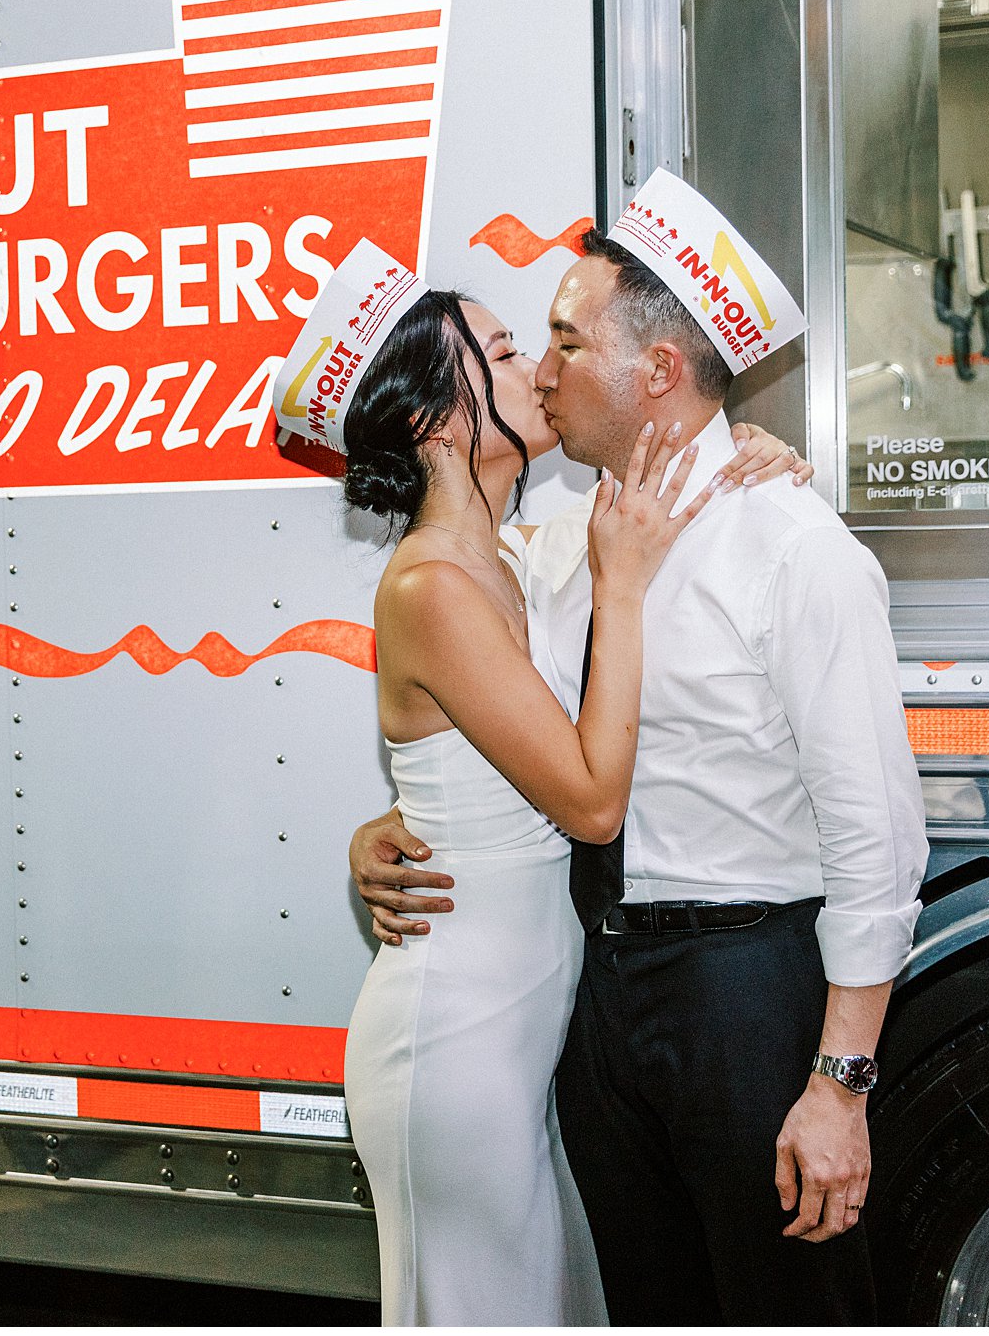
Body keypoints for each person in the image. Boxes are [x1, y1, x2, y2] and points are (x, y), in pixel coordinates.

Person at [349, 171, 930, 1325]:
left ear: (657, 372)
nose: (546, 371)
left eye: (564, 340)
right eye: (531, 348)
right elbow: (477, 718)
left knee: (781, 1306)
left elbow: (877, 843)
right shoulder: (562, 542)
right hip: (593, 999)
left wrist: (839, 1085)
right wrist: (388, 823)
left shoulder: (793, 551)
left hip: (741, 995)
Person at [271, 237, 816, 1326]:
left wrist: (745, 447)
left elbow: (468, 764)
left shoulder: (522, 553)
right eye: (508, 350)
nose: (543, 373)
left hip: (533, 1036)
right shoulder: (431, 586)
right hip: (457, 1042)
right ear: (434, 418)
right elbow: (588, 799)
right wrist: (624, 588)